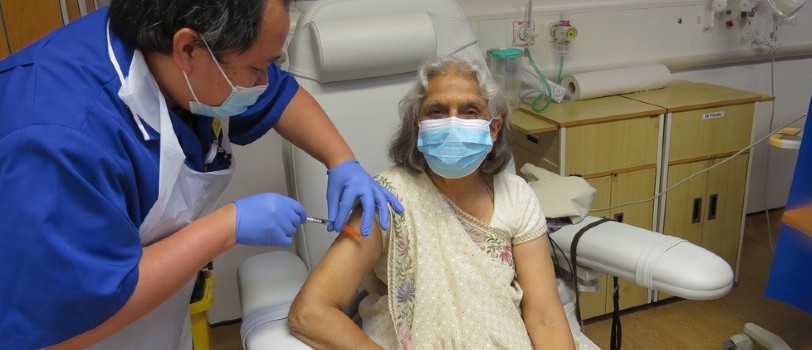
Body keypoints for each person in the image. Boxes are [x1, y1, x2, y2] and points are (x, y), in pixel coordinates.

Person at [0, 0, 403, 349]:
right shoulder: (56, 143)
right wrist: (226, 227)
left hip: (156, 323)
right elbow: (60, 325)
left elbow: (278, 94)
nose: (263, 82)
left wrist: (341, 159)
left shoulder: (181, 58)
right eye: (256, 69)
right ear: (189, 49)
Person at [288, 55, 577, 349]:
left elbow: (546, 318)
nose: (453, 123)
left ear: (492, 129)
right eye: (437, 111)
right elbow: (310, 312)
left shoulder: (516, 196)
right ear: (418, 127)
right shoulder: (388, 199)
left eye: (469, 111)